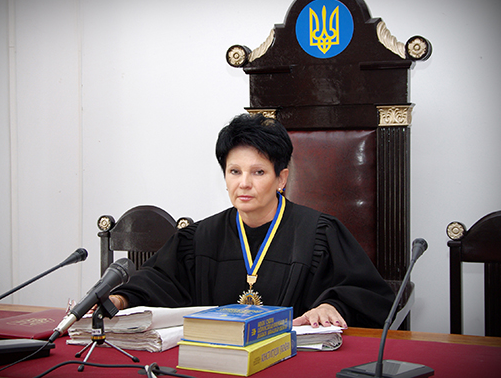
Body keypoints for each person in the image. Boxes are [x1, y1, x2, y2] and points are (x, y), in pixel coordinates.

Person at [109, 113, 394, 328]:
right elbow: (159, 281)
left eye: (258, 172)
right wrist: (120, 299)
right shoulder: (200, 238)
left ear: (281, 178)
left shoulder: (318, 234)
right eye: (235, 171)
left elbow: (368, 295)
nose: (244, 183)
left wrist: (332, 306)